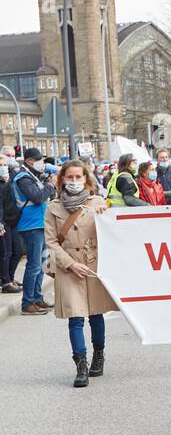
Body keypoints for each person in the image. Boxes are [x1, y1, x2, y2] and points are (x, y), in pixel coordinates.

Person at [44, 160, 114, 387]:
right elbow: (51, 241)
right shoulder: (53, 206)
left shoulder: (97, 202)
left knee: (95, 314)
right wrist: (69, 263)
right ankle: (80, 364)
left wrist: (106, 215)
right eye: (70, 177)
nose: (74, 181)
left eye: (78, 177)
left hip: (93, 264)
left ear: (86, 179)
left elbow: (112, 233)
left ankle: (99, 355)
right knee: (75, 318)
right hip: (68, 267)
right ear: (62, 179)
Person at [10, 148, 53, 315]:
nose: (41, 163)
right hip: (30, 226)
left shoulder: (32, 176)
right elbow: (36, 197)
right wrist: (49, 185)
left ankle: (37, 298)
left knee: (41, 265)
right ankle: (28, 303)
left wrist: (47, 186)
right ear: (29, 161)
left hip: (39, 224)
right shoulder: (23, 177)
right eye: (38, 160)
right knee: (34, 265)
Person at [0, 159, 22, 293]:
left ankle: (10, 277)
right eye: (0, 165)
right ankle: (6, 281)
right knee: (5, 252)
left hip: (12, 220)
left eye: (4, 165)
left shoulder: (10, 180)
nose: (3, 167)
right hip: (3, 221)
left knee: (17, 251)